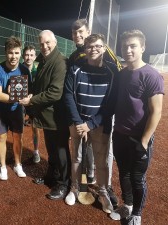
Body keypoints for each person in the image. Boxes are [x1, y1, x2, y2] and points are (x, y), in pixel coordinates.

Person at [109, 30, 164, 225]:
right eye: (125, 46)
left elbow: (156, 111)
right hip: (120, 135)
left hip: (139, 138)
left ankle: (137, 214)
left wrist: (144, 140)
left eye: (133, 46)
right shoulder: (122, 73)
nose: (128, 49)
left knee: (137, 177)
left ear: (143, 47)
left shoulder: (151, 75)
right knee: (123, 173)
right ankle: (128, 205)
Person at [63, 34, 119, 214]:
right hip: (78, 122)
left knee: (101, 161)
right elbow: (68, 95)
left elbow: (111, 104)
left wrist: (91, 124)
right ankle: (75, 188)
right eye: (90, 47)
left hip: (99, 124)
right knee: (77, 158)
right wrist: (79, 122)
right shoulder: (75, 68)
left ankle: (102, 192)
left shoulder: (112, 72)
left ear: (104, 48)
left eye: (97, 46)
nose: (93, 49)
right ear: (85, 49)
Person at [19, 30, 71, 200]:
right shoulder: (44, 60)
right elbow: (40, 84)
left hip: (58, 117)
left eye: (47, 42)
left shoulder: (60, 62)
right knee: (51, 149)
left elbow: (55, 92)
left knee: (61, 151)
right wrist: (29, 95)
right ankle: (51, 176)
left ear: (55, 42)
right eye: (41, 44)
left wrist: (32, 100)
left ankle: (64, 183)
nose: (45, 46)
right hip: (47, 116)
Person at [0, 36, 31, 181]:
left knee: (18, 138)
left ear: (20, 53)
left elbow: (29, 91)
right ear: (5, 52)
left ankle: (17, 164)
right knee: (1, 137)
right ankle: (2, 166)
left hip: (17, 110)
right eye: (10, 53)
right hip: (0, 111)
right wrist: (15, 96)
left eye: (16, 53)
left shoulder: (24, 69)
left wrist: (27, 98)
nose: (13, 56)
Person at [22, 45, 40, 163]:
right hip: (21, 102)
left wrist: (32, 95)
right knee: (18, 128)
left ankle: (36, 152)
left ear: (35, 56)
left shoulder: (38, 70)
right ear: (23, 56)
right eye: (27, 55)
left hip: (33, 102)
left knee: (35, 127)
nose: (29, 57)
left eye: (31, 55)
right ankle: (18, 152)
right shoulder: (19, 68)